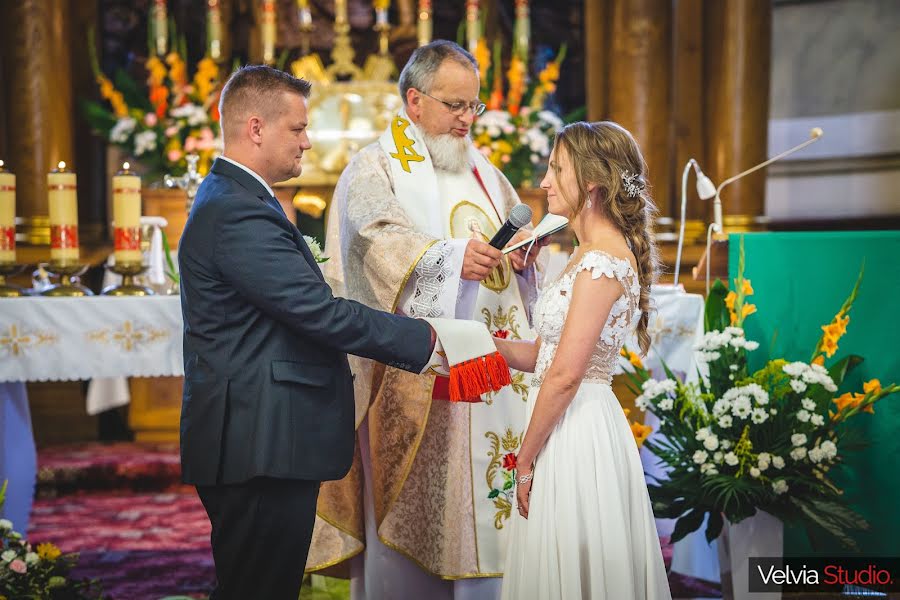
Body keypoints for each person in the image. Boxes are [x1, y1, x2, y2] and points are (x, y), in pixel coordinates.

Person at [178, 65, 439, 600]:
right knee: (257, 587)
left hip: (260, 433)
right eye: (296, 129)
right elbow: (320, 314)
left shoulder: (237, 200)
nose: (307, 142)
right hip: (258, 438)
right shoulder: (238, 212)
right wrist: (427, 339)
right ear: (256, 128)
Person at [316, 40, 547, 599]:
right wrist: (447, 257)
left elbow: (506, 243)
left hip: (494, 380)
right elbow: (371, 242)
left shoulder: (487, 174)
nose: (468, 119)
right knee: (413, 540)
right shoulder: (374, 168)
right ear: (414, 101)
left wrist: (521, 256)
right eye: (455, 106)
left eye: (474, 106)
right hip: (419, 383)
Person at [494, 121, 672, 599]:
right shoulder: (582, 254)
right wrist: (475, 343)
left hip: (577, 430)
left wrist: (524, 460)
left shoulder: (600, 263)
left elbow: (566, 375)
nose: (545, 181)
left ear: (592, 183)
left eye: (556, 169)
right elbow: (543, 354)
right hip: (566, 420)